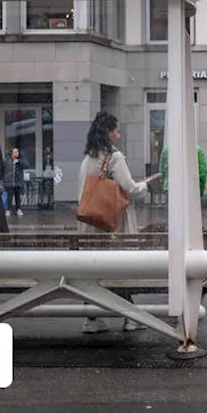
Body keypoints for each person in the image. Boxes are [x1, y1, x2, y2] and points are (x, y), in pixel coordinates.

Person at [78, 111, 158, 334]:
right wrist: (146, 185)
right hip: (112, 224)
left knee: (96, 273)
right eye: (116, 130)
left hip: (90, 223)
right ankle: (131, 317)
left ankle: (91, 318)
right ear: (108, 132)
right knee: (118, 273)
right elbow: (130, 189)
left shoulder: (89, 157)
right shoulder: (114, 157)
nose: (119, 134)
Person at [4, 147, 25, 218]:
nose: (17, 153)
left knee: (17, 196)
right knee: (9, 197)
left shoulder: (21, 160)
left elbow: (26, 165)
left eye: (17, 152)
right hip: (9, 182)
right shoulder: (7, 161)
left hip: (17, 182)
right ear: (12, 153)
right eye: (15, 152)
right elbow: (3, 169)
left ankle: (18, 209)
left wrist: (18, 162)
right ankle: (8, 210)